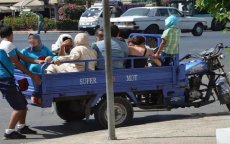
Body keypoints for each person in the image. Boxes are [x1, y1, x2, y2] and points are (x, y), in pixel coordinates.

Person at [0, 25, 43, 139]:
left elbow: (22, 56)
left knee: (23, 103)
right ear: (11, 34)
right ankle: (9, 132)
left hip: (5, 78)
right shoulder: (8, 45)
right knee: (19, 107)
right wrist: (33, 75)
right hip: (5, 80)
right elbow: (18, 63)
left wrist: (37, 61)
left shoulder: (4, 45)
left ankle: (22, 126)